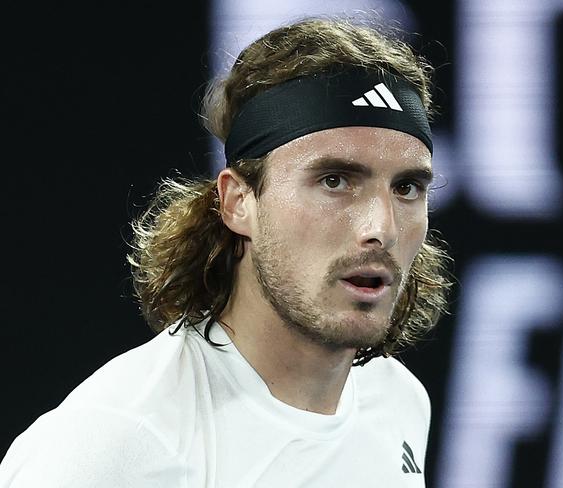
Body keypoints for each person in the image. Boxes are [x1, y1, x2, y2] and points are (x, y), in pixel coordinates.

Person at [0, 15, 449, 487]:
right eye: (334, 181)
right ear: (238, 202)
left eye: (407, 187)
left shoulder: (399, 401)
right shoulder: (118, 441)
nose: (382, 227)